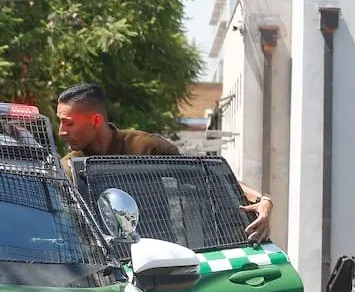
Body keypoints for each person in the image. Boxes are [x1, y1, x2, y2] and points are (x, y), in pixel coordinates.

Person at [55, 83, 273, 243]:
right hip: (103, 269)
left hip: (160, 261)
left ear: (96, 120)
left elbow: (208, 177)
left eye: (68, 123)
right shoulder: (68, 167)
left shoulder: (147, 147)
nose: (61, 132)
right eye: (60, 123)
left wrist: (263, 200)